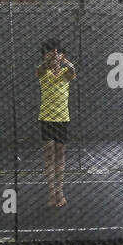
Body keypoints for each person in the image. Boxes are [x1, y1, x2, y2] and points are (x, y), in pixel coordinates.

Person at [36, 39, 75, 208]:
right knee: (49, 154)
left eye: (58, 52)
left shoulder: (66, 72)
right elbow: (40, 70)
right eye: (51, 52)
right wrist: (48, 60)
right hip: (46, 118)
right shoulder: (42, 71)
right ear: (44, 55)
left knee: (60, 155)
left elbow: (73, 71)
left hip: (63, 119)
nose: (54, 55)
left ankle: (61, 192)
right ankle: (52, 193)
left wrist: (64, 61)